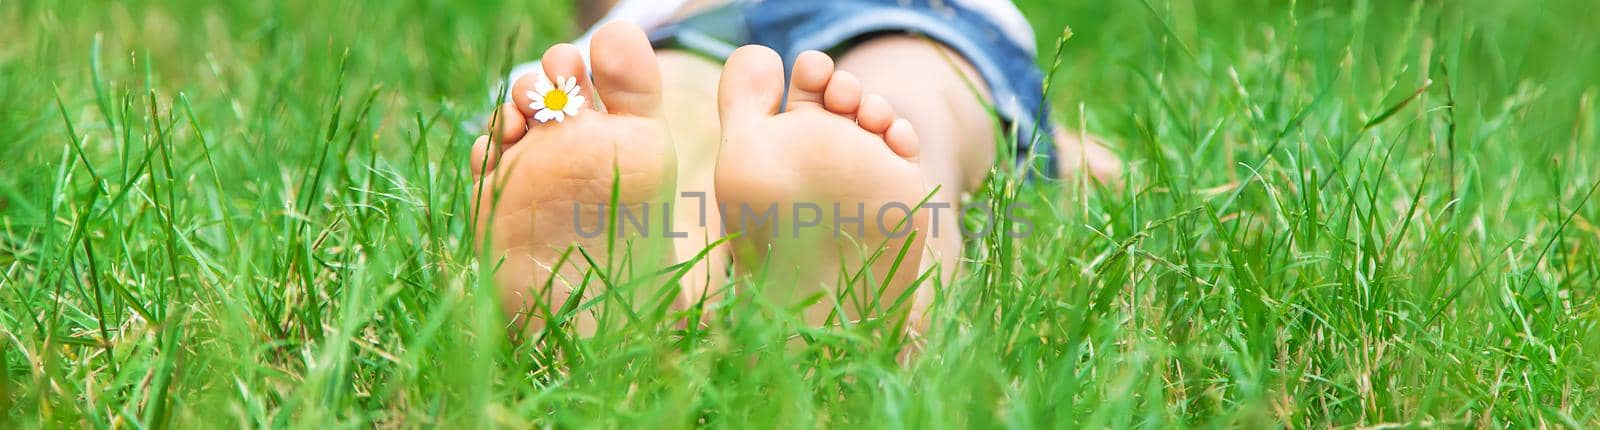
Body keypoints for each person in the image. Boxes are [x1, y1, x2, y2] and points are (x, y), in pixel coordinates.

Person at [469, 0, 1121, 336]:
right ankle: (883, 287)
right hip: (912, 13)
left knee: (668, 111)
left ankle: (654, 293)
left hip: (670, 22)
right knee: (908, 95)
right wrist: (1067, 149)